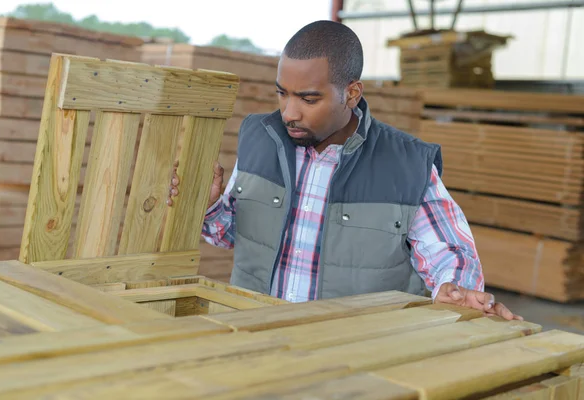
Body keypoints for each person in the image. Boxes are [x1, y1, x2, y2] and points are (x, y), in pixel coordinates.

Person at [168, 20, 521, 321]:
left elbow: (450, 254)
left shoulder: (407, 164)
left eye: (308, 99)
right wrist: (209, 204)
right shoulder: (260, 139)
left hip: (352, 358)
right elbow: (233, 234)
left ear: (351, 93)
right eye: (282, 93)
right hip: (255, 340)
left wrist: (455, 290)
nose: (289, 112)